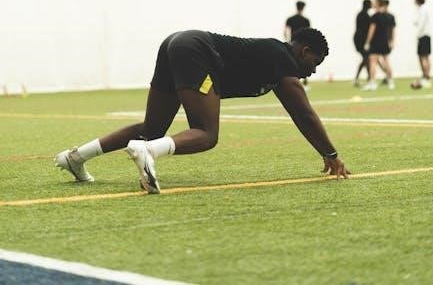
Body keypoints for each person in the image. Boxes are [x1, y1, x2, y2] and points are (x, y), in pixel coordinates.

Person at [55, 27, 350, 193]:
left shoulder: (277, 64)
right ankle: (148, 151)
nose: (312, 71)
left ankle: (75, 157)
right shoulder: (282, 57)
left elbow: (297, 112)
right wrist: (331, 154)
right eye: (315, 63)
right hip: (195, 50)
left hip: (178, 43)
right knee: (206, 134)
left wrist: (325, 151)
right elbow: (304, 114)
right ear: (305, 52)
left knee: (151, 129)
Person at [363, 0, 395, 90]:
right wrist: (391, 41)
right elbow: (392, 31)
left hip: (376, 42)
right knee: (386, 62)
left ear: (378, 4)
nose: (373, 4)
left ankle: (372, 83)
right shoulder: (390, 16)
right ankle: (390, 81)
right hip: (385, 41)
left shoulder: (375, 16)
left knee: (373, 62)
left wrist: (367, 42)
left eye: (374, 3)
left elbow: (371, 30)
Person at [284, 1, 311, 89]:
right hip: (303, 43)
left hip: (293, 43)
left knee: (292, 61)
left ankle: (293, 81)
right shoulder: (306, 20)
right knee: (304, 61)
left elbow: (285, 31)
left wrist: (288, 41)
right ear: (303, 8)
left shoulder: (290, 19)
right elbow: (309, 32)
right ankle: (305, 83)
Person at [411, 0, 431, 89]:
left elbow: (421, 23)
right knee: (424, 57)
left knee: (423, 57)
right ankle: (426, 76)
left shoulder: (423, 10)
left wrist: (418, 34)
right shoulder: (422, 10)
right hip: (425, 35)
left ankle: (426, 77)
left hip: (423, 35)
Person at [353, 0, 372, 86]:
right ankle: (368, 78)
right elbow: (366, 30)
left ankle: (366, 77)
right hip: (361, 40)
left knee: (366, 59)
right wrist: (367, 42)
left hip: (359, 39)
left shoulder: (361, 14)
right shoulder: (365, 15)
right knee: (366, 58)